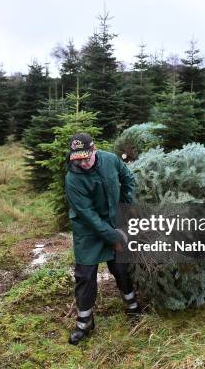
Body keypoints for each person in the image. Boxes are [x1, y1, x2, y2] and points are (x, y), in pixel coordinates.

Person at [64, 132, 139, 345]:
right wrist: (113, 236)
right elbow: (88, 216)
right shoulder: (73, 179)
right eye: (78, 159)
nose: (83, 163)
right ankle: (84, 324)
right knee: (85, 275)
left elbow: (128, 178)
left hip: (115, 220)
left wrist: (126, 206)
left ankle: (133, 307)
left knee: (121, 268)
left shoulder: (111, 160)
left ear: (94, 149)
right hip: (88, 230)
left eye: (87, 158)